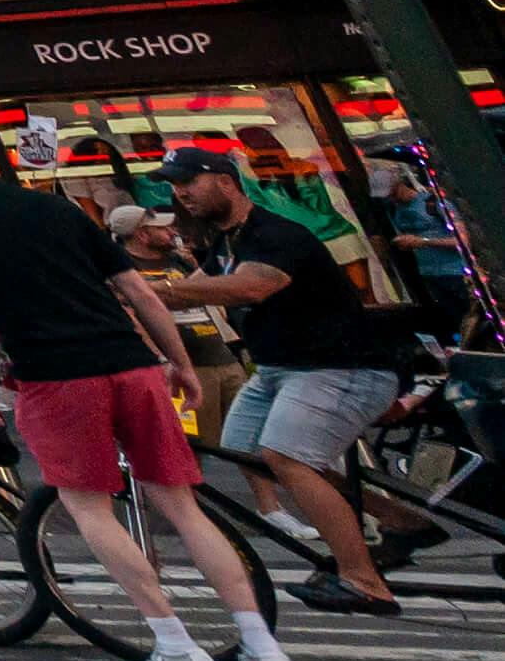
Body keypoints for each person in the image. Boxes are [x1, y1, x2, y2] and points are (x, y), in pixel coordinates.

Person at [0, 129, 290, 661]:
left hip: (56, 373)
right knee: (183, 505)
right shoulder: (60, 209)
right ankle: (261, 644)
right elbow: (138, 292)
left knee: (90, 508)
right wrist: (178, 360)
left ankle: (172, 641)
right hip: (131, 363)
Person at [147, 140, 408, 615]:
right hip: (280, 369)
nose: (182, 194)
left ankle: (362, 579)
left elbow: (251, 286)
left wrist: (153, 289)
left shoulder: (275, 233)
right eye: (175, 186)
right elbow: (194, 294)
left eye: (190, 182)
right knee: (248, 451)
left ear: (225, 180)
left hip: (339, 367)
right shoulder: (226, 240)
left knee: (286, 456)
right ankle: (399, 520)